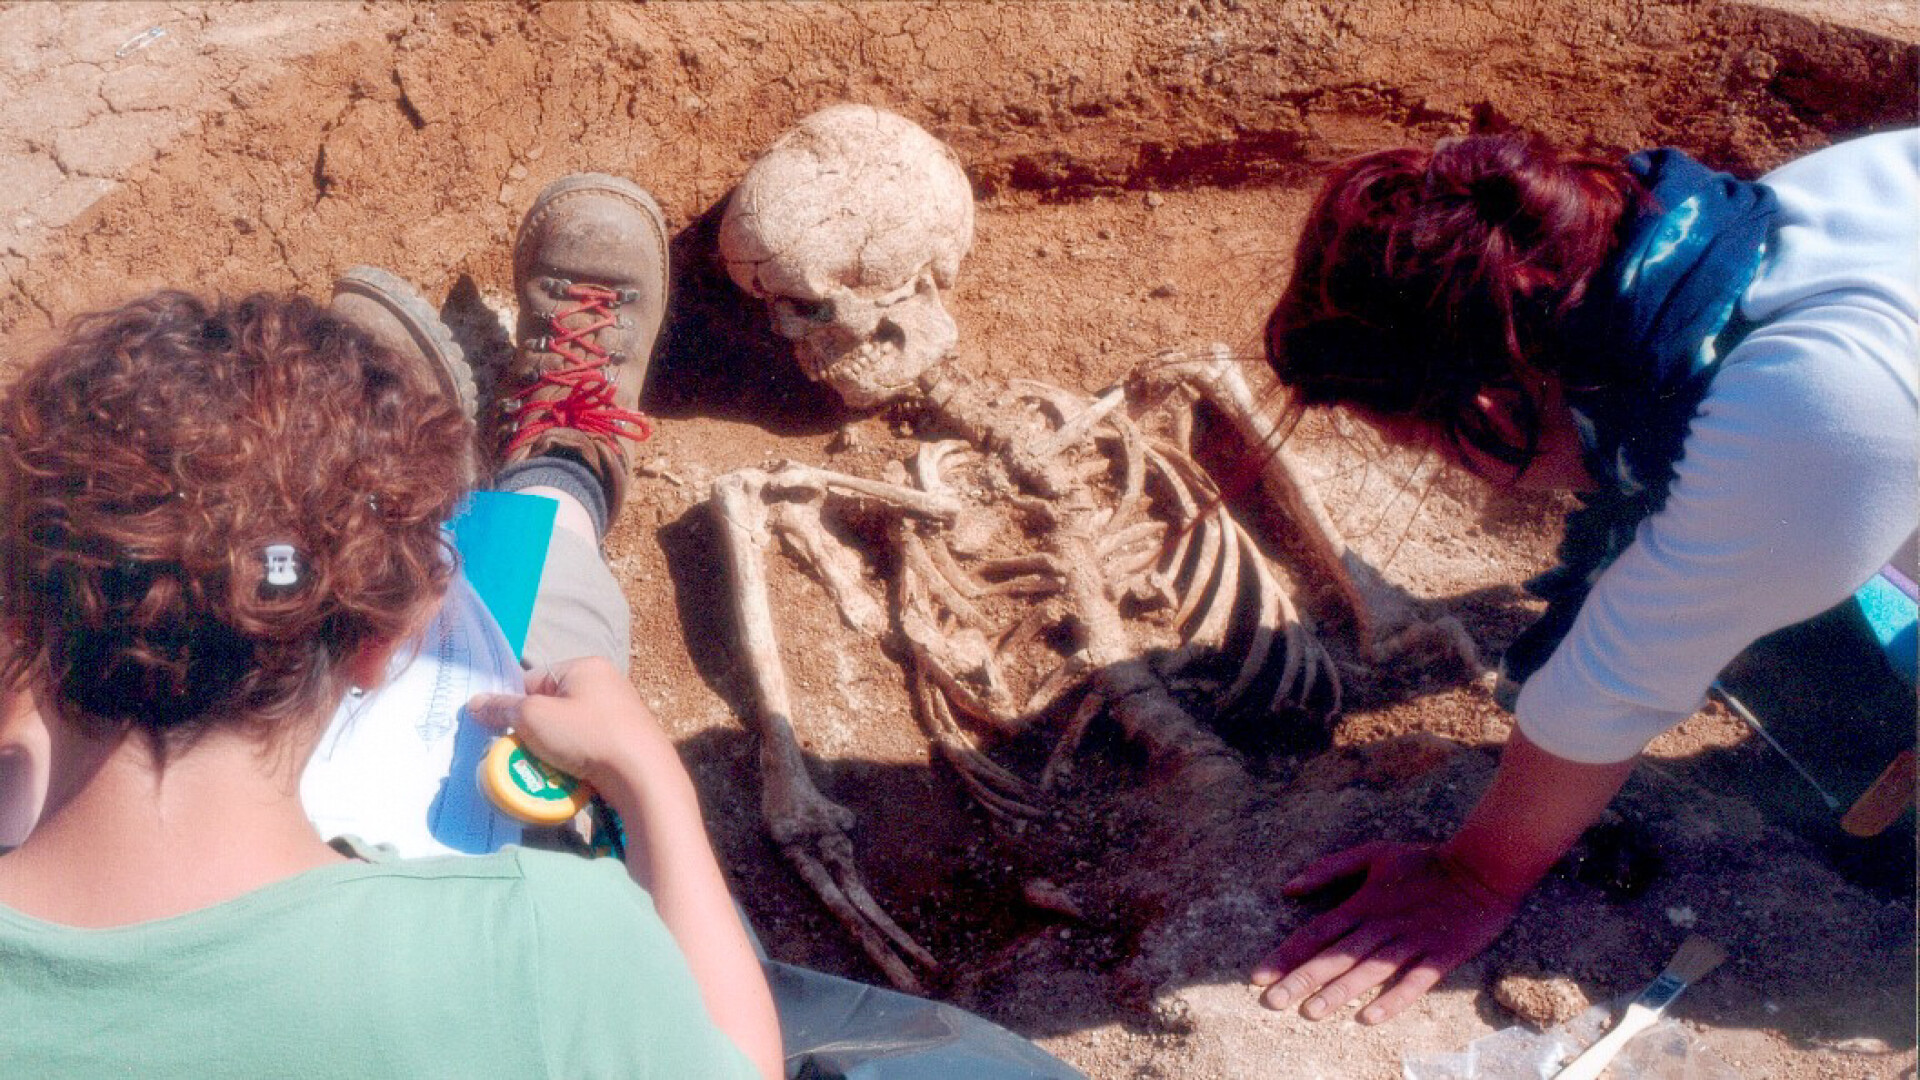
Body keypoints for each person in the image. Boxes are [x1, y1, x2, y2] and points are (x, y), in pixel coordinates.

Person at [0, 286, 781, 1077]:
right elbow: (742, 1065)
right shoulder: (544, 943)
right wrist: (650, 779)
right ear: (382, 646)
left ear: (21, 624)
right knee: (550, 617)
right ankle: (561, 468)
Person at [1248, 128, 1917, 1024]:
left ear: (1489, 406)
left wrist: (1474, 876)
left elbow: (1617, 680)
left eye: (1432, 449)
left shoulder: (1809, 409)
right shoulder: (1720, 249)